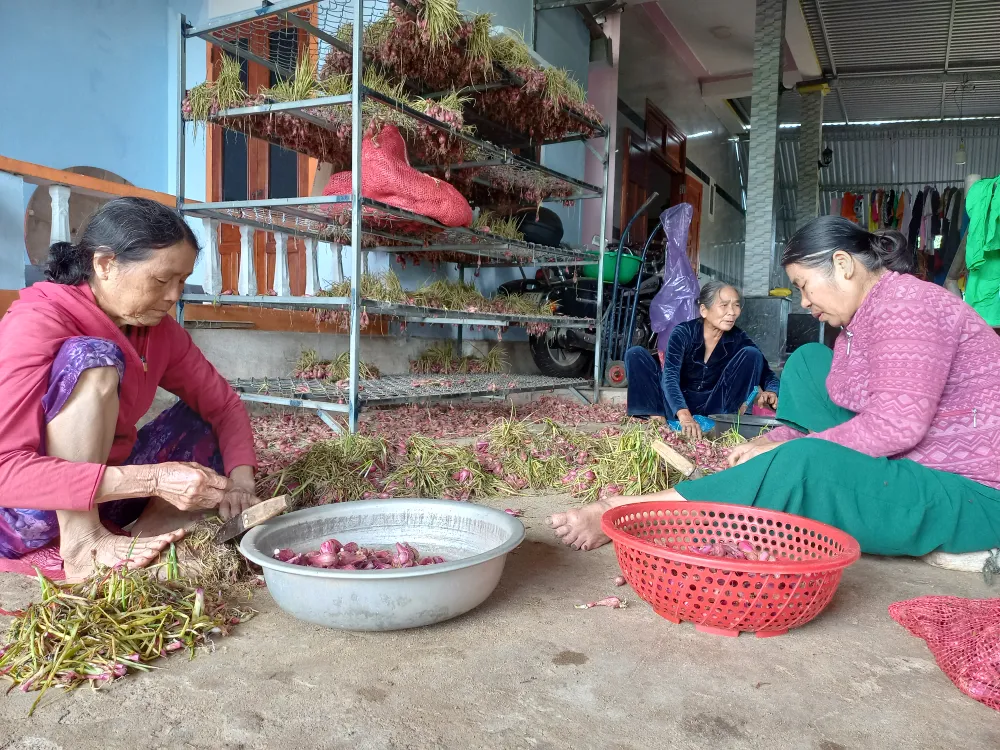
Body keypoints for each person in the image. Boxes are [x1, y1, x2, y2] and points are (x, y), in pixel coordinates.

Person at [549, 216, 1000, 555]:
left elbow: (897, 427)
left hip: (968, 491)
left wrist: (782, 452)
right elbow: (853, 403)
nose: (804, 301)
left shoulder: (909, 306)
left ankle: (634, 511)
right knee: (807, 362)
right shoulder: (861, 320)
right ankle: (768, 468)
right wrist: (777, 437)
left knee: (804, 464)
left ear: (842, 266)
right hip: (917, 451)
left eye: (804, 286)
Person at [0, 198, 260, 581]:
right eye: (161, 280)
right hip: (30, 511)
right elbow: (6, 471)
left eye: (181, 281)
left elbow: (224, 406)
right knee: (92, 357)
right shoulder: (37, 323)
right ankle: (83, 544)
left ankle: (146, 537)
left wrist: (241, 482)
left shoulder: (158, 332)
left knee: (202, 419)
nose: (174, 296)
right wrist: (153, 479)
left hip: (110, 494)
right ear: (105, 264)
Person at [624, 281, 780, 438]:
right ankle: (658, 420)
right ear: (704, 310)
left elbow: (768, 375)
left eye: (736, 305)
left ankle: (726, 425)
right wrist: (684, 416)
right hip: (675, 405)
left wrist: (772, 391)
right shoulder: (683, 333)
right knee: (636, 354)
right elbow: (670, 377)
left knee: (751, 354)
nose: (732, 312)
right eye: (724, 305)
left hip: (715, 407)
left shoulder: (739, 338)